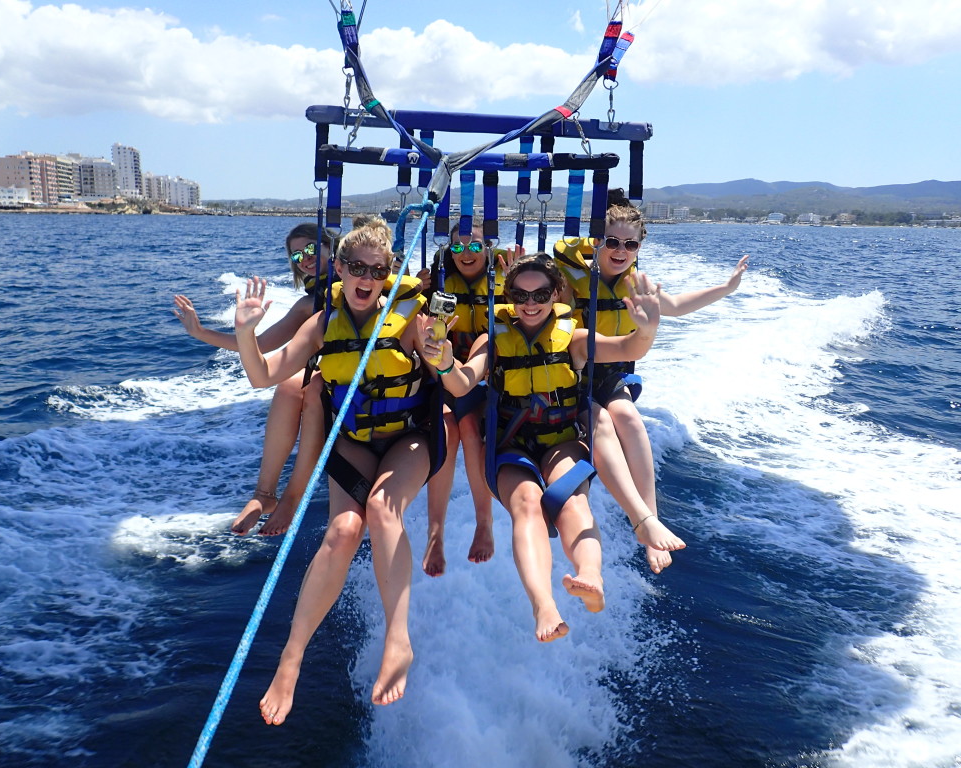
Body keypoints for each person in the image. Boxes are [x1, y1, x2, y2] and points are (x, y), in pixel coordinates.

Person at [235, 217, 443, 724]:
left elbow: (451, 383)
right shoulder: (323, 323)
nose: (365, 278)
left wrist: (443, 352)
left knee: (379, 509)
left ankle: (399, 639)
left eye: (376, 269)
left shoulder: (410, 319)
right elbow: (263, 375)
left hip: (409, 439)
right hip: (353, 443)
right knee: (342, 532)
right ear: (341, 269)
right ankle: (292, 657)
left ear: (388, 273)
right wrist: (246, 332)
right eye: (355, 267)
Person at [421, 252, 661, 642]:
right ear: (508, 295)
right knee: (527, 505)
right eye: (519, 295)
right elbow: (464, 384)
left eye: (540, 294)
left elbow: (628, 348)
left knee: (572, 502)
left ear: (557, 294)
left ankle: (589, 575)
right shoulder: (493, 338)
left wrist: (647, 329)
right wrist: (447, 365)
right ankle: (543, 605)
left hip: (562, 442)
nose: (529, 304)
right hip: (510, 447)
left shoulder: (576, 339)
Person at [555, 196, 749, 572]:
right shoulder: (568, 277)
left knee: (629, 417)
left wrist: (725, 289)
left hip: (610, 371)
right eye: (612, 241)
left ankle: (649, 519)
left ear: (639, 247)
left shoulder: (634, 284)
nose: (621, 251)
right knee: (604, 423)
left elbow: (674, 306)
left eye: (630, 244)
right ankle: (640, 520)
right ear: (597, 241)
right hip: (569, 373)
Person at [173, 223, 332, 536]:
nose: (305, 258)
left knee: (312, 388)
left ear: (331, 246)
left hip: (355, 379)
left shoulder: (367, 282)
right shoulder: (307, 306)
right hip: (331, 377)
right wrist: (201, 332)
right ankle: (264, 494)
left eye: (311, 248)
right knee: (288, 385)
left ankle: (292, 498)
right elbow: (260, 345)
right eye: (297, 255)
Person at [416, 220, 499, 576]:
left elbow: (539, 298)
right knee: (447, 425)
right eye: (459, 248)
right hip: (441, 372)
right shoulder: (436, 279)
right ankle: (436, 532)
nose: (467, 254)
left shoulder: (503, 280)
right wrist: (416, 289)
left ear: (487, 249)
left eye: (475, 246)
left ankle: (484, 521)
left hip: (482, 373)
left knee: (468, 424)